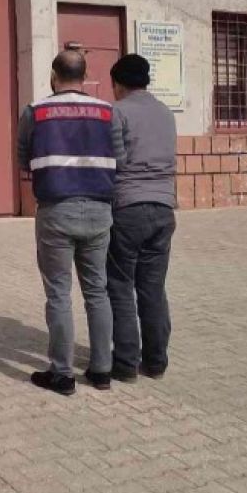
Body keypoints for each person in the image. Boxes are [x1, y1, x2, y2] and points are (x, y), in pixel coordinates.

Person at [16, 50, 119, 395]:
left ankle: (62, 374)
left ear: (53, 76)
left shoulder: (35, 112)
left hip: (56, 210)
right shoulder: (108, 112)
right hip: (99, 210)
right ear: (85, 76)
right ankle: (102, 370)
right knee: (97, 291)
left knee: (59, 293)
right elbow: (119, 157)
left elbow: (24, 160)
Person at [104, 54, 177, 382]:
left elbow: (116, 161)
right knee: (153, 287)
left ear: (118, 84)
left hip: (128, 208)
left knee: (120, 286)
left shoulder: (117, 112)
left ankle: (125, 363)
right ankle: (156, 361)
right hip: (163, 208)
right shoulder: (166, 113)